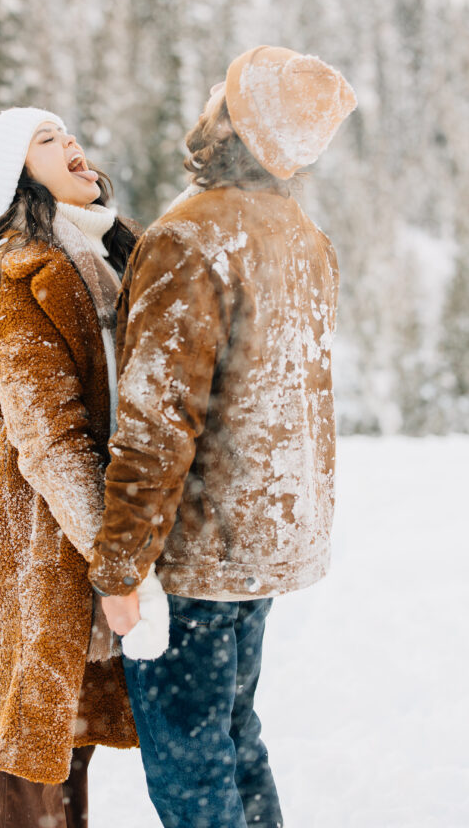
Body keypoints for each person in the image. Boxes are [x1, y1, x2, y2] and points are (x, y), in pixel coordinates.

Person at [88, 46, 357, 828]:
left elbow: (156, 419)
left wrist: (118, 568)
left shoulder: (190, 237)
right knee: (235, 739)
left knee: (190, 765)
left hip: (194, 554)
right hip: (263, 541)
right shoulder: (302, 235)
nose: (207, 101)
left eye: (223, 96)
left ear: (233, 125)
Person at [0, 106, 141, 828]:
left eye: (70, 133)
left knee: (68, 740)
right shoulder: (23, 280)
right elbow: (49, 443)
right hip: (34, 546)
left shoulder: (114, 254)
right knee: (25, 754)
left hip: (90, 533)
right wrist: (117, 561)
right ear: (18, 176)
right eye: (47, 141)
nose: (73, 144)